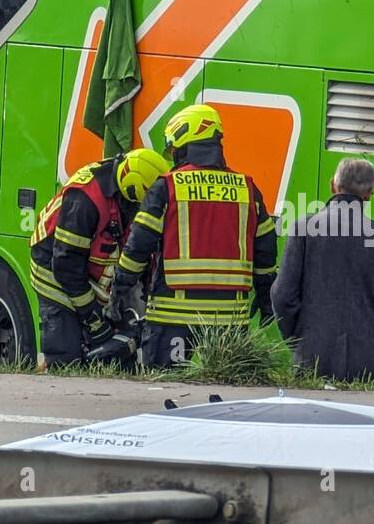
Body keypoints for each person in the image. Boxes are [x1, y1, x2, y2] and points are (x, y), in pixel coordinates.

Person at [113, 104, 278, 368]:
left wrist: (120, 286)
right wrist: (265, 292)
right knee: (224, 399)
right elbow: (266, 249)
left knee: (169, 394)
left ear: (183, 142)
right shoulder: (247, 188)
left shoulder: (167, 186)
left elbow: (138, 246)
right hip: (229, 321)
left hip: (173, 319)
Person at [29, 147, 170, 368]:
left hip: (88, 275)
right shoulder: (85, 200)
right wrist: (92, 318)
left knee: (117, 353)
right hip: (54, 272)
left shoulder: (122, 191)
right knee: (67, 356)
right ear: (132, 192)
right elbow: (66, 265)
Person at [272, 158, 374, 382]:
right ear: (369, 193)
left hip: (312, 356)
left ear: (333, 185)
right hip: (367, 364)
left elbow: (282, 295)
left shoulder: (304, 228)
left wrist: (297, 339)